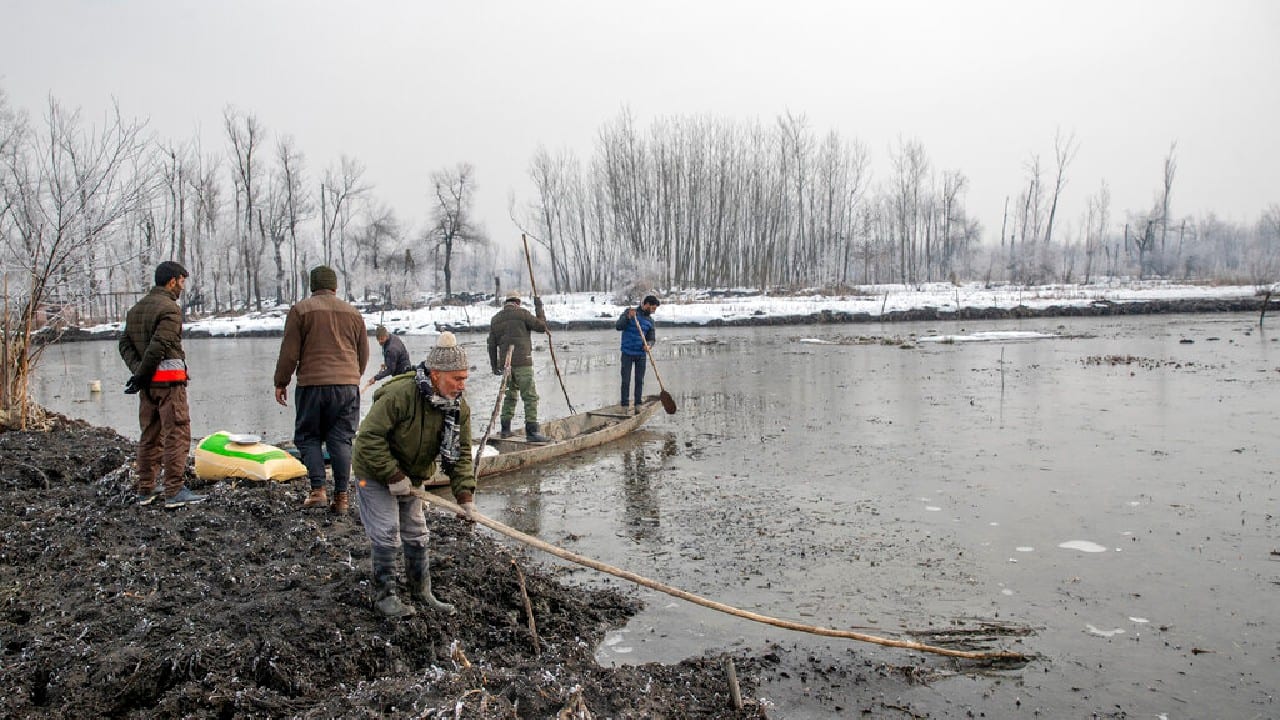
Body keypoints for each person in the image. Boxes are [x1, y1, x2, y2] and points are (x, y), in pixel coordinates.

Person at [351, 331, 475, 618]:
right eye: (457, 378)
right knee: (387, 531)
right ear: (435, 374)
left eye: (465, 378)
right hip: (375, 470)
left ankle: (421, 591)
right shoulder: (400, 394)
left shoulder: (458, 408)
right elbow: (368, 439)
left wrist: (465, 497)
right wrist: (393, 477)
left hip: (413, 474)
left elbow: (461, 454)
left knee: (417, 532)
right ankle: (384, 596)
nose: (462, 385)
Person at [273, 265, 369, 514]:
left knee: (308, 436)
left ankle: (318, 491)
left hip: (312, 385)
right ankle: (342, 497)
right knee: (341, 439)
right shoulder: (353, 313)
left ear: (313, 286)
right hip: (347, 386)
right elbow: (363, 354)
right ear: (335, 287)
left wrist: (281, 382)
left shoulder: (301, 310)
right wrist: (351, 377)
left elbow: (289, 352)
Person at [118, 260, 205, 509]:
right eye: (181, 282)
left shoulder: (137, 309)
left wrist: (138, 373)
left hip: (147, 387)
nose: (182, 287)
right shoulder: (169, 309)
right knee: (176, 433)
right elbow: (160, 345)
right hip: (169, 385)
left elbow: (124, 344)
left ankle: (146, 488)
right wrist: (143, 373)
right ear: (172, 280)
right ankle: (174, 490)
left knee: (149, 435)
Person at [486, 291, 550, 443]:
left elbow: (491, 345)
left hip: (506, 365)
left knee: (509, 395)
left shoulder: (496, 319)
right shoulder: (522, 314)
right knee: (530, 396)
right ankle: (532, 431)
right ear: (518, 302)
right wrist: (539, 306)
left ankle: (505, 429)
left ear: (506, 302)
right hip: (523, 362)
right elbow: (542, 327)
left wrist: (495, 366)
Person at [615, 294, 660, 412]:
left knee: (639, 380)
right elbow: (618, 326)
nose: (654, 311)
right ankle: (624, 406)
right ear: (646, 305)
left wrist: (649, 345)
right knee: (625, 380)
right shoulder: (630, 312)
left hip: (641, 355)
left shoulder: (650, 321)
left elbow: (652, 338)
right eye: (653, 308)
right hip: (627, 353)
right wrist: (628, 318)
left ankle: (638, 405)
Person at [363, 325, 412, 392]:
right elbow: (394, 358)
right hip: (405, 368)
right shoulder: (393, 337)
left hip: (401, 375)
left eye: (382, 339)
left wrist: (375, 378)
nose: (380, 341)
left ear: (386, 335)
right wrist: (387, 362)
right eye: (378, 339)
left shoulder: (391, 349)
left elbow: (390, 370)